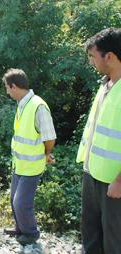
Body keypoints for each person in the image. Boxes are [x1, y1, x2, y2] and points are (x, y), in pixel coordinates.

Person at [76, 28, 121, 254]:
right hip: (92, 172)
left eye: (93, 56)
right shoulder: (105, 85)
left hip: (114, 181)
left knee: (115, 239)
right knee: (90, 232)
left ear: (109, 56)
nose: (92, 62)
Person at [2, 68, 56, 245]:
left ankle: (31, 234)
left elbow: (49, 137)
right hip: (20, 163)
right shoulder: (23, 104)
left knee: (21, 203)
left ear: (14, 86)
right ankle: (20, 229)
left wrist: (47, 153)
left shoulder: (38, 105)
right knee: (14, 200)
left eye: (7, 88)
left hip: (32, 166)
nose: (7, 92)